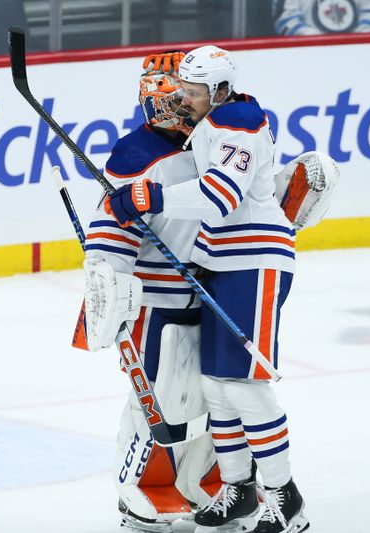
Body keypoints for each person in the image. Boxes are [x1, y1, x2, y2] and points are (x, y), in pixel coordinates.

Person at [104, 45, 309, 533]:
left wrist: (150, 195)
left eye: (194, 92)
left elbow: (220, 198)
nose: (185, 100)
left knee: (247, 387)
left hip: (253, 265)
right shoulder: (214, 124)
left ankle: (287, 500)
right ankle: (237, 489)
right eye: (182, 90)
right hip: (222, 265)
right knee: (216, 385)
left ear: (218, 90)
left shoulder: (235, 120)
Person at [77, 51, 220, 532]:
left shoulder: (215, 142)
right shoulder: (136, 153)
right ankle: (136, 487)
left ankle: (208, 482)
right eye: (180, 99)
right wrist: (109, 283)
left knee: (218, 398)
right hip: (156, 300)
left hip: (214, 291)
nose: (188, 108)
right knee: (159, 399)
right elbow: (111, 228)